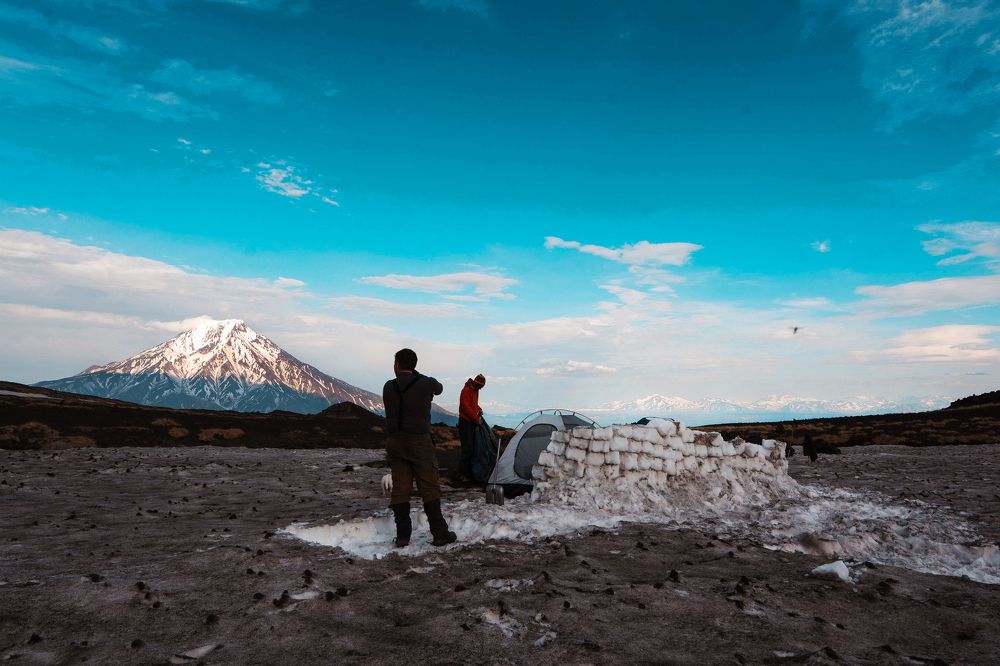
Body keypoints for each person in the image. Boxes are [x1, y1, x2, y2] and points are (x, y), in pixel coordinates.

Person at [382, 348, 457, 548]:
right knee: (429, 486)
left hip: (395, 442)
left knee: (401, 488)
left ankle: (403, 536)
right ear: (414, 365)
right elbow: (439, 388)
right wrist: (419, 375)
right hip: (419, 442)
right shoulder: (425, 384)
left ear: (397, 364)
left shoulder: (388, 387)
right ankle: (439, 533)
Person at [456, 373, 486, 484]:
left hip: (471, 422)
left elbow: (473, 405)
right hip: (465, 422)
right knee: (467, 448)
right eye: (480, 386)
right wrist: (476, 419)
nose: (480, 388)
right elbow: (465, 407)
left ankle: (468, 473)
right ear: (476, 383)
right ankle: (462, 474)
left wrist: (479, 409)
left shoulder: (475, 390)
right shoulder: (466, 391)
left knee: (472, 447)